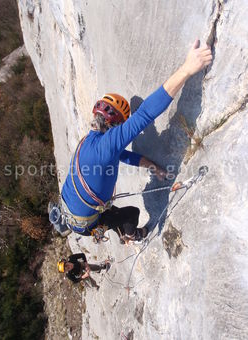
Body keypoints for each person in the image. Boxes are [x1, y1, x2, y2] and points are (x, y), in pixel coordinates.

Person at [60, 39, 212, 242]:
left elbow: (123, 155)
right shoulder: (107, 145)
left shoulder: (87, 142)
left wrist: (151, 165)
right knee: (131, 214)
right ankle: (133, 235)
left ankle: (118, 229)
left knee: (112, 213)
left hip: (71, 213)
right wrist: (186, 69)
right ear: (115, 124)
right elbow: (145, 114)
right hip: (87, 224)